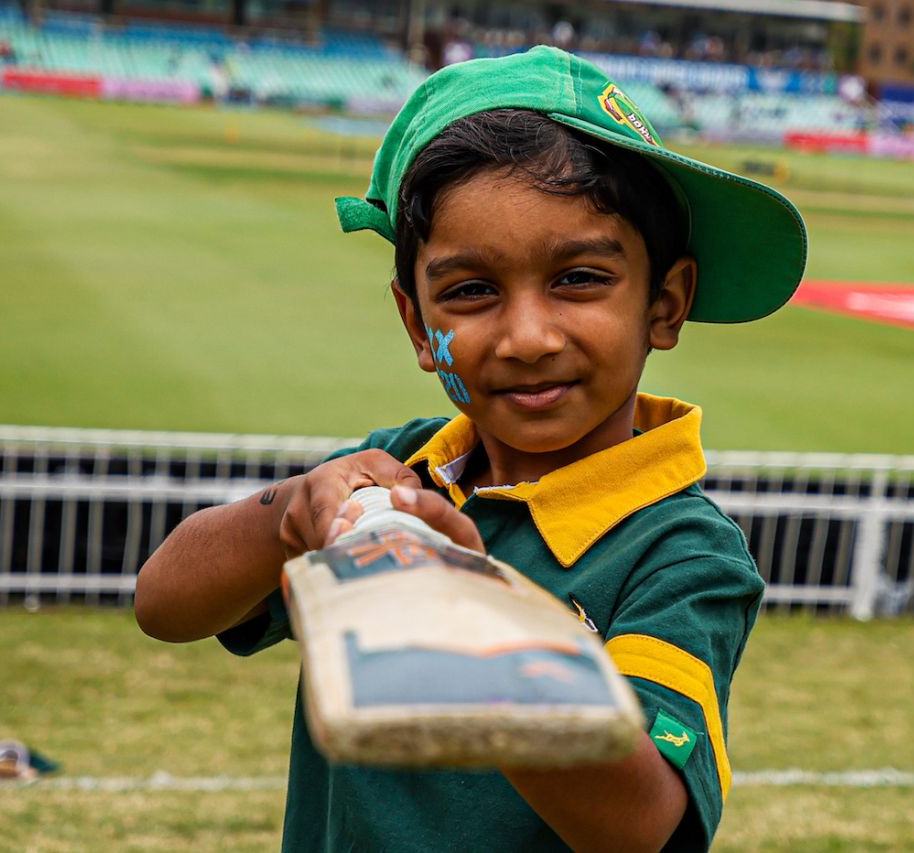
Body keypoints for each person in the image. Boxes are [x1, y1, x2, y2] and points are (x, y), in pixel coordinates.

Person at [135, 46, 806, 852]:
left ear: (665, 304)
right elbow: (162, 604)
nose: (527, 337)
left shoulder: (682, 552)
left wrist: (475, 622)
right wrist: (287, 518)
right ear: (418, 325)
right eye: (471, 291)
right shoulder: (395, 476)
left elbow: (639, 824)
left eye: (579, 279)